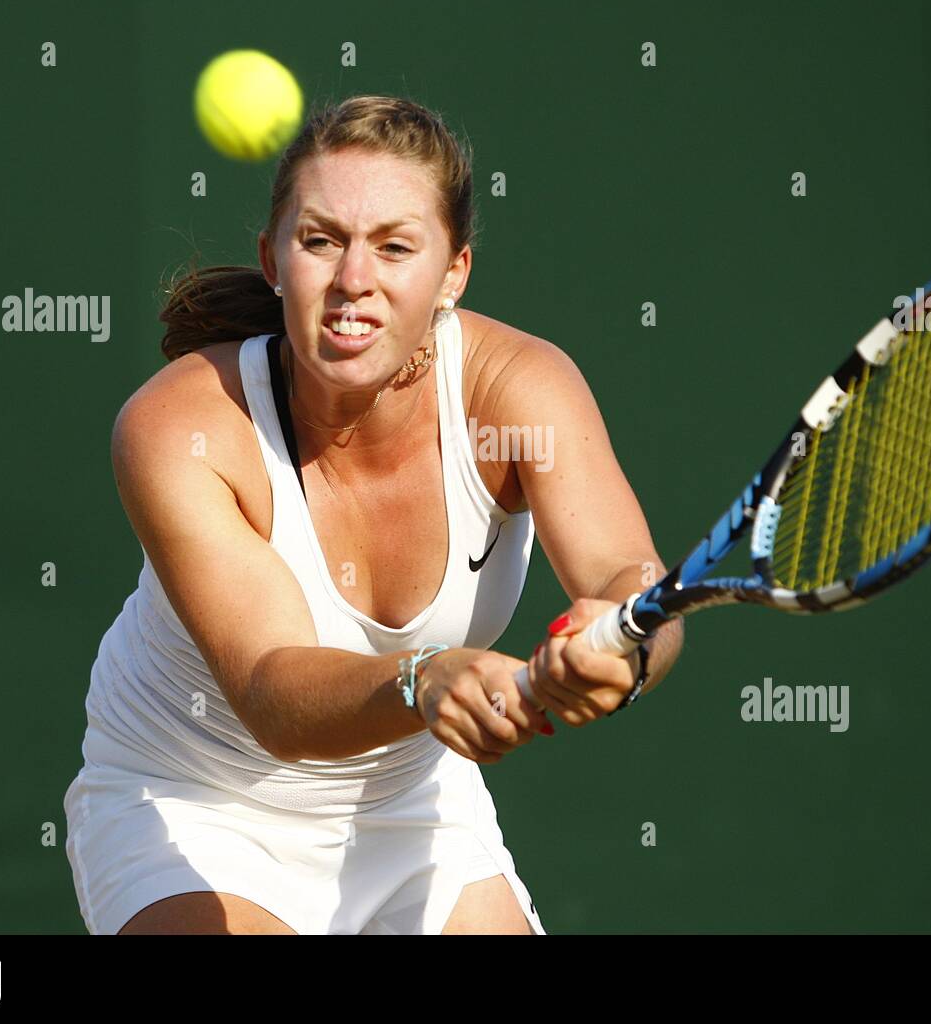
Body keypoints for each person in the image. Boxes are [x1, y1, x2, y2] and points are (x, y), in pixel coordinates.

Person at [63, 95, 683, 935]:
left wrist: (623, 648)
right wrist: (423, 676)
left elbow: (629, 576)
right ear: (274, 259)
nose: (355, 279)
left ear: (453, 274)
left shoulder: (521, 390)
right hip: (194, 803)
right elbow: (271, 691)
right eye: (321, 241)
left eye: (395, 247)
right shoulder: (179, 426)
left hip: (414, 804)